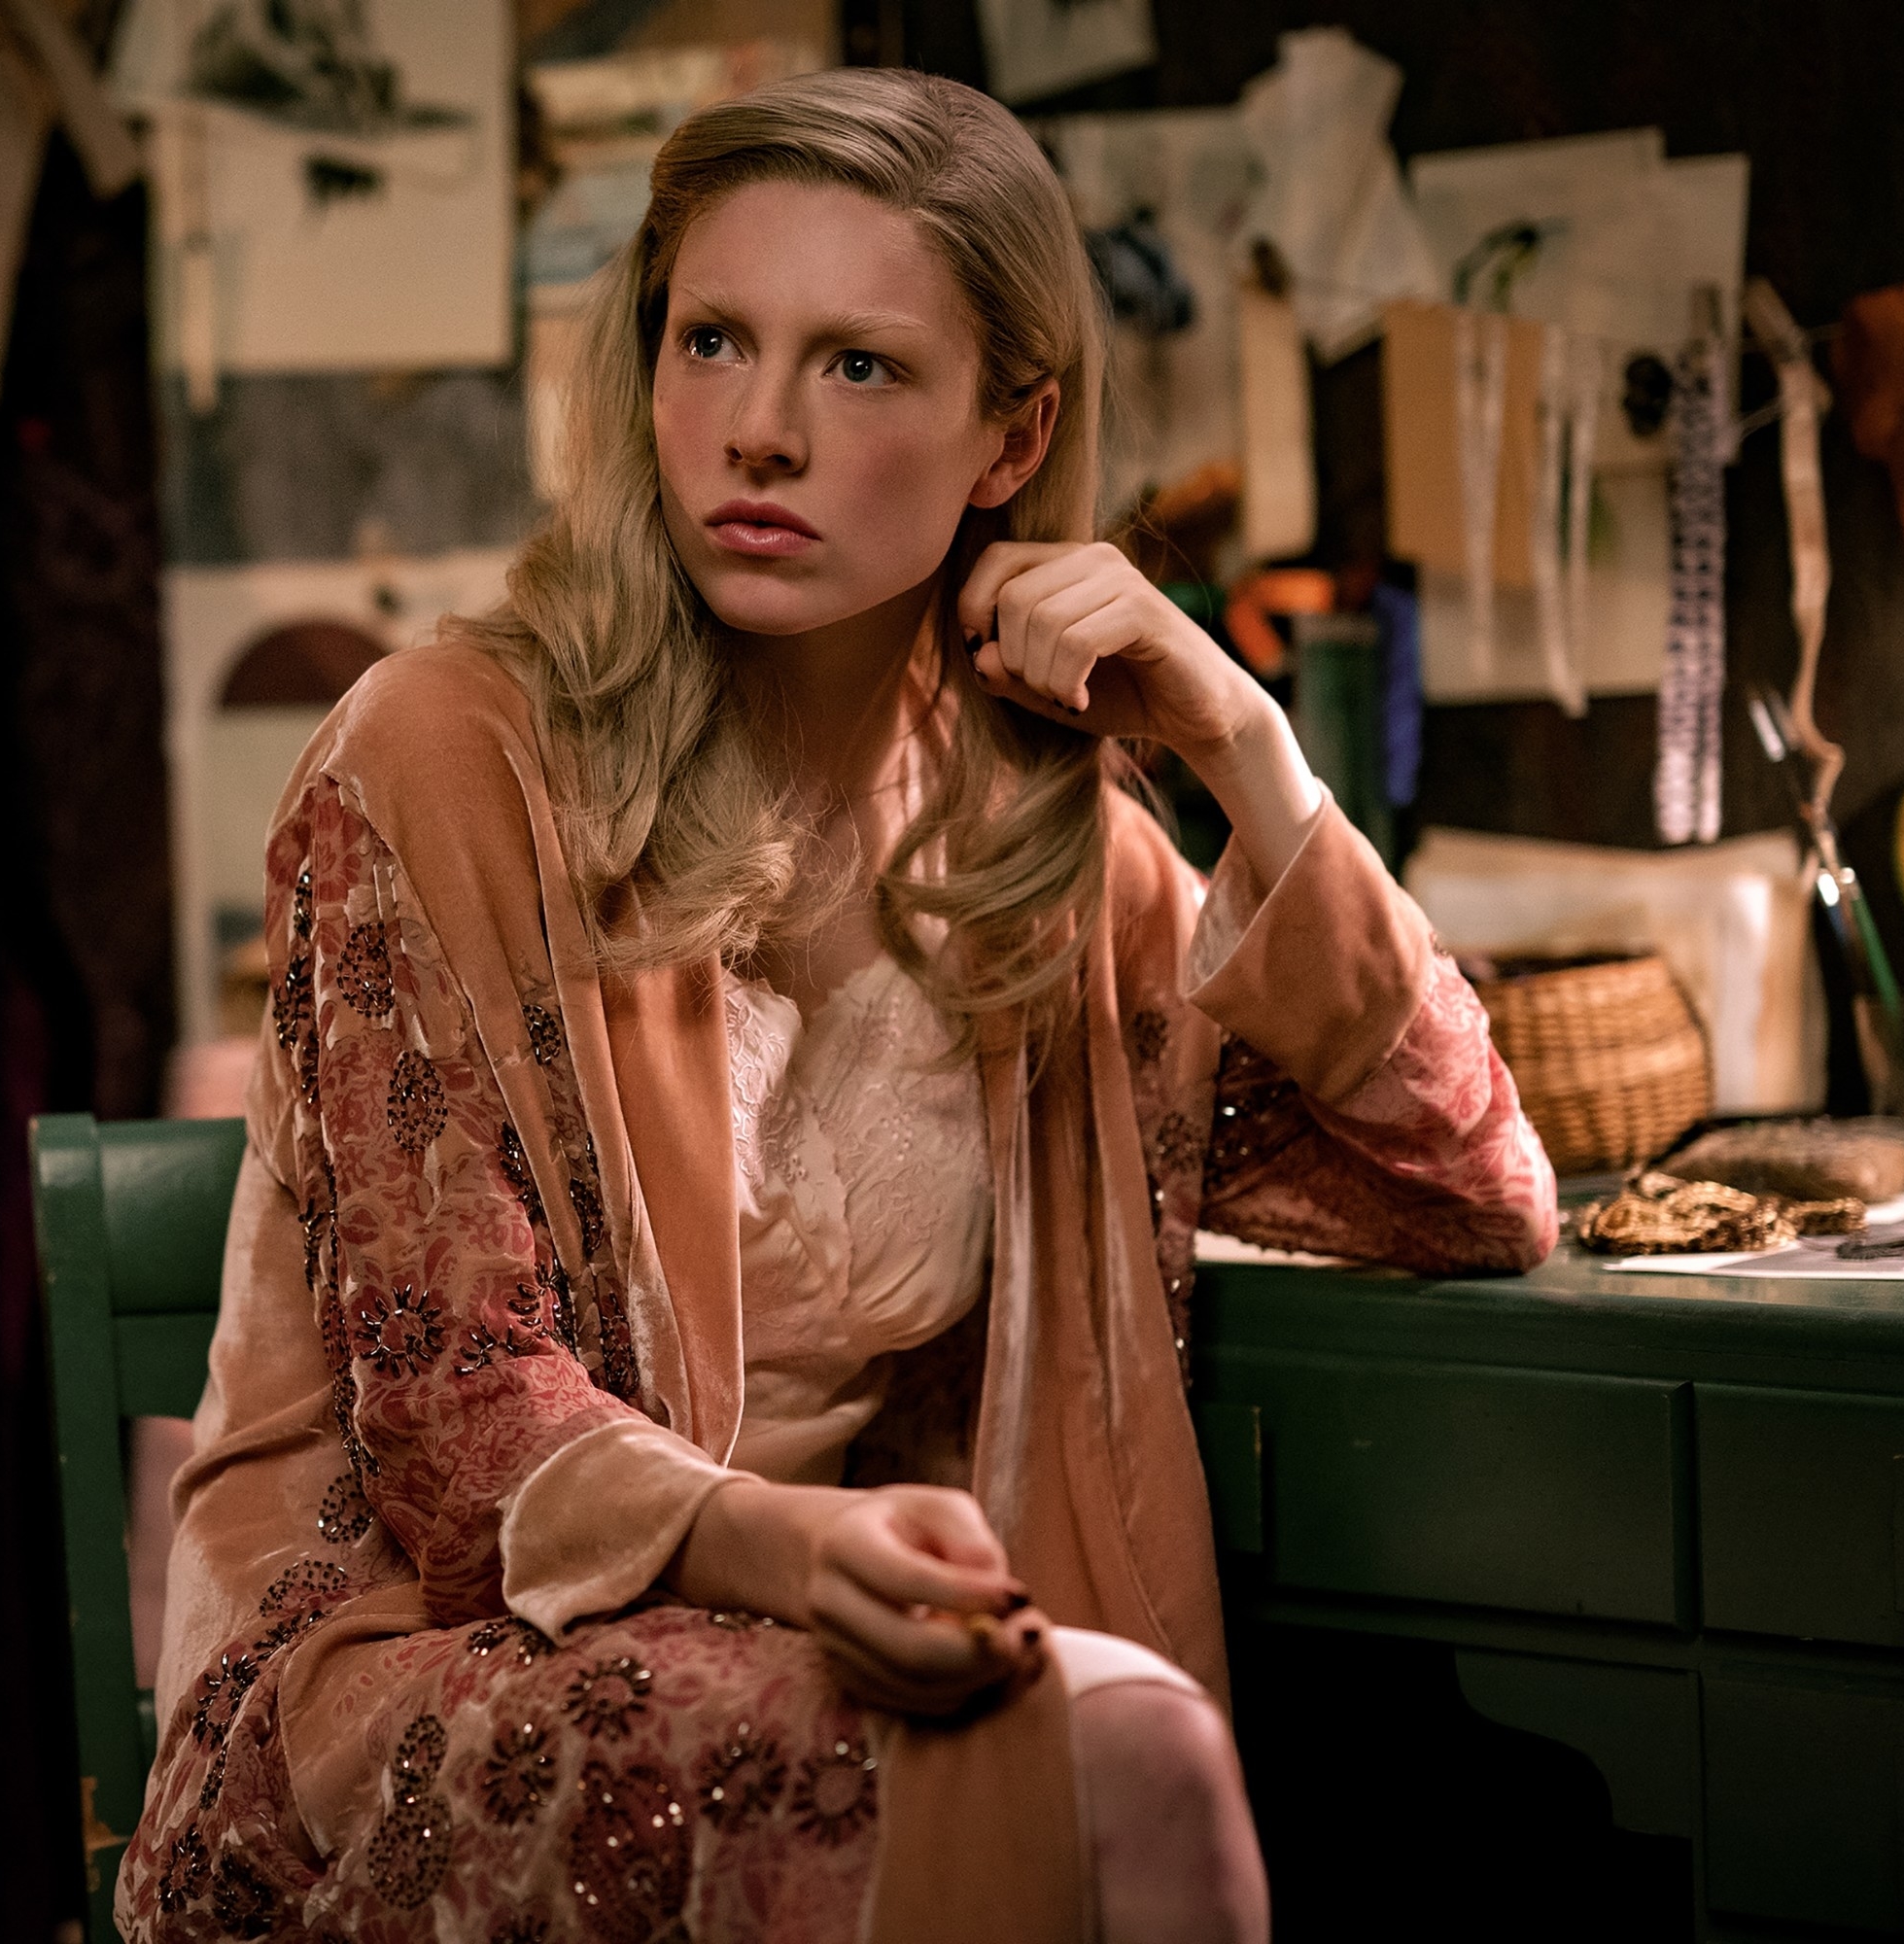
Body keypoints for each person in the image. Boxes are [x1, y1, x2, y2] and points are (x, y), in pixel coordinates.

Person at [121, 67, 1555, 1944]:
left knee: (1110, 1740)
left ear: (1012, 436)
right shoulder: (442, 758)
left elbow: (1465, 1185)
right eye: (712, 340)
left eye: (860, 367)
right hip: (416, 1684)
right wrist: (800, 1547)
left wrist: (1247, 748)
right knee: (1118, 1747)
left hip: (810, 1634)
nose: (760, 434)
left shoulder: (1041, 853)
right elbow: (466, 1429)